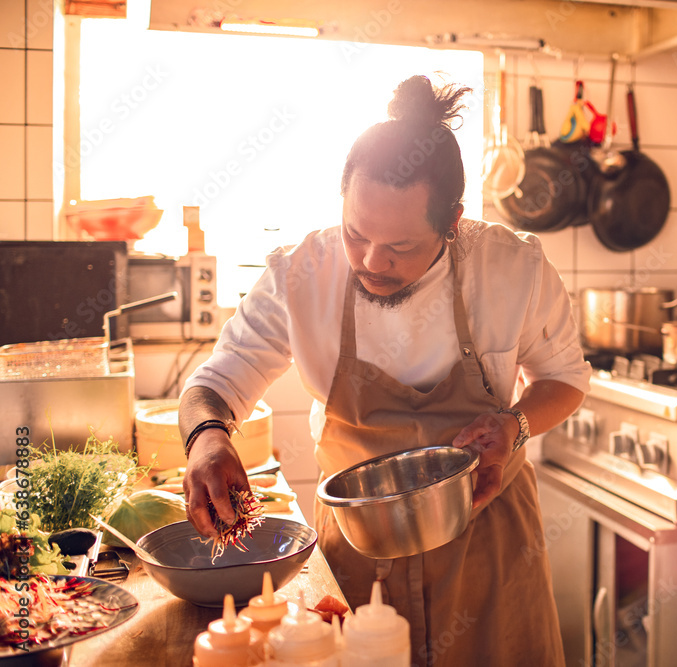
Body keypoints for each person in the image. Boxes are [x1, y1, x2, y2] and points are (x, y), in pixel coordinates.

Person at [178, 74, 591, 666]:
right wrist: (206, 437)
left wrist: (516, 426)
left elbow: (565, 380)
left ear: (453, 221)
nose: (372, 262)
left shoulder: (511, 267)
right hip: (354, 554)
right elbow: (212, 384)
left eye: (400, 246)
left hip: (489, 551)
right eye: (355, 234)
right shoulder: (302, 275)